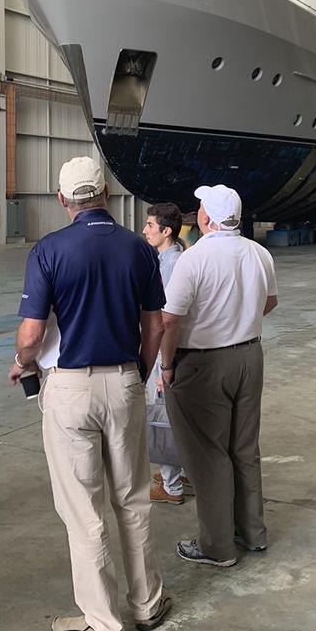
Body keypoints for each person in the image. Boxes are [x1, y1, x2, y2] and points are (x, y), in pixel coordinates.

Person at [9, 157, 171, 631]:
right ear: (105, 192)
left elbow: (32, 332)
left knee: (84, 508)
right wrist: (138, 374)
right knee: (133, 497)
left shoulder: (49, 251)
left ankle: (102, 621)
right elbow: (156, 324)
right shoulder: (139, 249)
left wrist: (23, 360)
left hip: (70, 387)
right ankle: (147, 603)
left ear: (64, 201)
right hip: (123, 381)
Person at [159, 184, 278, 567]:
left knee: (208, 455)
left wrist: (166, 365)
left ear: (207, 218)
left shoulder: (193, 259)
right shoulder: (259, 253)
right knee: (244, 448)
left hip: (203, 364)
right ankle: (252, 533)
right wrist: (239, 320)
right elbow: (269, 302)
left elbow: (170, 320)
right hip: (249, 356)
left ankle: (217, 547)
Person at [142, 202, 187, 505]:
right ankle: (182, 473)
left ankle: (171, 487)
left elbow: (167, 320)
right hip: (177, 352)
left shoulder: (170, 265)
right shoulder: (178, 257)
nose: (144, 231)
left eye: (149, 225)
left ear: (166, 231)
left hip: (164, 355)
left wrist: (161, 367)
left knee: (163, 419)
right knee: (177, 419)